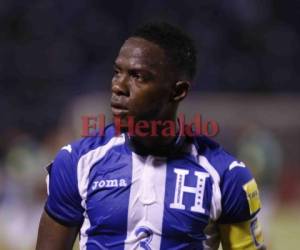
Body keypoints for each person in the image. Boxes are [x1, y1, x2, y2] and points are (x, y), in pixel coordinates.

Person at [36, 22, 265, 250]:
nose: (118, 86)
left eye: (138, 76)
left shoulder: (226, 176)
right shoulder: (77, 163)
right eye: (117, 72)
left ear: (177, 91)